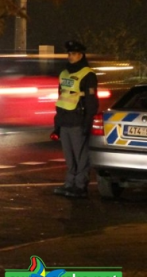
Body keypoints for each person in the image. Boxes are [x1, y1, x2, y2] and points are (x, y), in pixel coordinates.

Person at [50, 40, 99, 198]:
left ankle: (80, 186)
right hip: (64, 120)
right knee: (69, 157)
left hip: (78, 120)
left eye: (74, 54)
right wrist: (57, 124)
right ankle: (69, 184)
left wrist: (87, 122)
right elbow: (61, 98)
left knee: (81, 156)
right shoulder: (64, 73)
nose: (71, 56)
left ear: (81, 55)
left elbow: (91, 102)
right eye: (69, 53)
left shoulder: (88, 74)